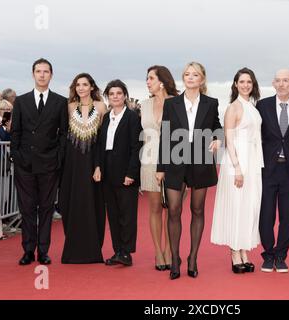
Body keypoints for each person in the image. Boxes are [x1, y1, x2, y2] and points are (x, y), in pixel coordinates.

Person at [156, 62, 223, 280]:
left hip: (201, 160)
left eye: (195, 75)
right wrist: (160, 167)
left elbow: (217, 126)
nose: (190, 77)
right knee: (174, 209)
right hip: (175, 162)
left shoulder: (211, 103)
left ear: (202, 79)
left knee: (198, 210)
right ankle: (175, 259)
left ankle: (193, 258)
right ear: (183, 78)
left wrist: (217, 138)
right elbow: (165, 135)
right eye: (187, 74)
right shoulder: (172, 103)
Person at [10, 58, 68, 265]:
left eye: (46, 71)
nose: (42, 75)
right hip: (25, 164)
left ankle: (43, 250)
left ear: (51, 75)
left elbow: (64, 134)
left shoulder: (60, 102)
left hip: (49, 164)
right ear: (33, 74)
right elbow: (15, 132)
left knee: (45, 208)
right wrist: (17, 157)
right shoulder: (21, 101)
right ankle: (27, 250)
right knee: (27, 208)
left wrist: (58, 157)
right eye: (38, 71)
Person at [211, 67, 263, 274]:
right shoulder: (233, 108)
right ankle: (234, 253)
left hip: (253, 162)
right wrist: (237, 168)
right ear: (235, 84)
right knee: (236, 206)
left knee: (249, 207)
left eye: (249, 82)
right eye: (242, 82)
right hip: (237, 163)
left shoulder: (252, 107)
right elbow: (229, 141)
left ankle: (244, 251)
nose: (246, 85)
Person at [256, 69, 289, 273]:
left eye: (286, 80)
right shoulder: (263, 105)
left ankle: (281, 255)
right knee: (266, 214)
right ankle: (268, 254)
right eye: (278, 80)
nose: (282, 84)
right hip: (268, 169)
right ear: (273, 83)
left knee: (288, 216)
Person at [59, 73, 108, 264]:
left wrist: (98, 165)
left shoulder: (101, 107)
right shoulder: (69, 107)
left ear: (92, 87)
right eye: (77, 85)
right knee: (71, 203)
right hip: (73, 163)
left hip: (93, 162)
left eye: (84, 84)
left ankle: (92, 250)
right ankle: (73, 249)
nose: (81, 88)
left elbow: (102, 140)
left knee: (92, 203)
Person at [96, 80, 142, 267]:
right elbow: (100, 145)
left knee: (127, 215)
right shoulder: (106, 118)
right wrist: (98, 167)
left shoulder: (132, 118)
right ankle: (118, 251)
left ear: (125, 96)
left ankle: (126, 252)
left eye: (119, 93)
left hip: (126, 174)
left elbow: (136, 147)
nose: (115, 96)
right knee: (113, 215)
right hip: (107, 173)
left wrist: (131, 173)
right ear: (108, 96)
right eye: (112, 94)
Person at [140, 65, 179, 271]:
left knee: (172, 209)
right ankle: (158, 252)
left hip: (174, 161)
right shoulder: (144, 105)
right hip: (149, 161)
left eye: (151, 78)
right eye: (147, 78)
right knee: (155, 208)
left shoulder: (178, 103)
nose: (147, 82)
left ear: (162, 81)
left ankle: (170, 251)